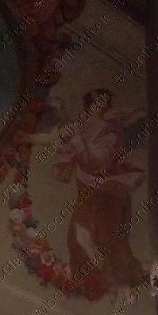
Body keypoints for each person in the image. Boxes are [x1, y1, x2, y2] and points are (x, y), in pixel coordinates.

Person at [52, 88, 145, 290]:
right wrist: (63, 116)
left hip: (105, 189)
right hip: (88, 185)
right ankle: (91, 275)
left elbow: (97, 160)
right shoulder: (82, 125)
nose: (96, 108)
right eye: (93, 104)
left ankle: (110, 273)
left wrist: (78, 143)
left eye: (102, 103)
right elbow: (68, 141)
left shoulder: (110, 130)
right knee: (79, 235)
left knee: (100, 233)